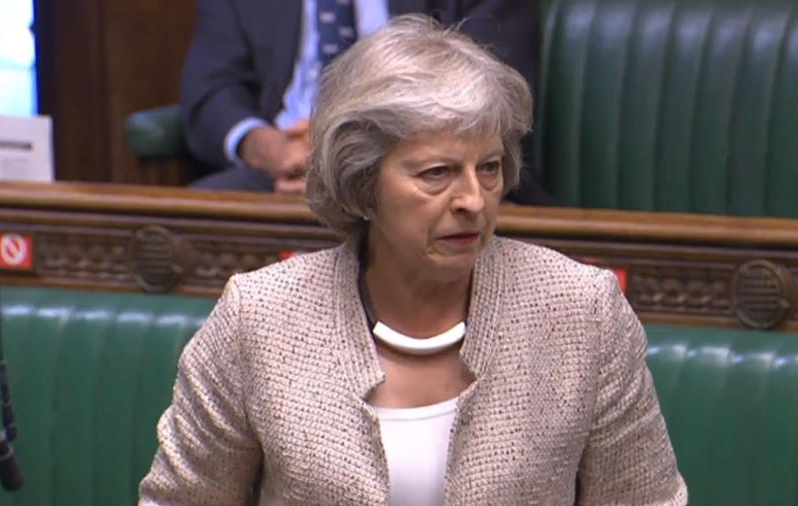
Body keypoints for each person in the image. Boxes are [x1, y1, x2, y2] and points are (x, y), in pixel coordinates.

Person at [140, 16, 686, 505]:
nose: (473, 199)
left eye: (489, 168)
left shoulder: (579, 310)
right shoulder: (260, 318)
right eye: (437, 174)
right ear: (363, 182)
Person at [180, 0, 550, 204]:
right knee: (172, 230)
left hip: (430, 167)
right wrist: (269, 149)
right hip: (283, 176)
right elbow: (211, 91)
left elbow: (493, 89)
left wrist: (356, 152)